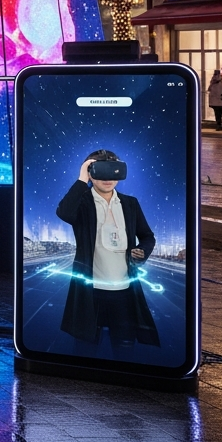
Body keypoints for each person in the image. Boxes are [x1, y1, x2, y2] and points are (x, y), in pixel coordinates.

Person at [55, 150, 159, 360]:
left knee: (124, 350)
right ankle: (84, 389)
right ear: (90, 172)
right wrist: (82, 179)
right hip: (89, 291)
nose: (108, 178)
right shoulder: (82, 202)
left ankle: (122, 390)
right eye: (99, 171)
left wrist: (142, 252)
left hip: (124, 291)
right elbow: (64, 213)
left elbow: (148, 236)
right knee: (85, 350)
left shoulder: (130, 204)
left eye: (113, 171)